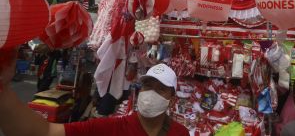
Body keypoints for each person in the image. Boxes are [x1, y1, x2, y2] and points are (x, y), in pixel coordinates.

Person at [0, 48, 189, 136]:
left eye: (161, 89)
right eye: (148, 86)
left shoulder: (180, 133)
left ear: (172, 100)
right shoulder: (111, 128)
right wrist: (3, 89)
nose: (151, 93)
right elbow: (46, 131)